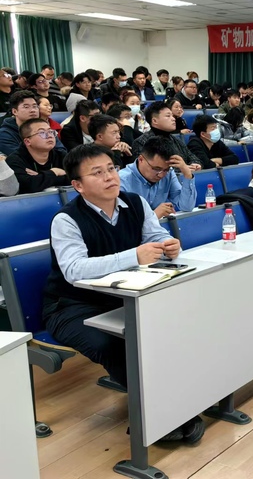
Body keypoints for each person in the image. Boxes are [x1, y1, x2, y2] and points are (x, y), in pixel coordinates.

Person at [41, 144, 205, 443]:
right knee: (112, 343)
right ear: (78, 185)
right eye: (97, 173)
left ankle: (181, 400)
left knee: (176, 325)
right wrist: (134, 256)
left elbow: (156, 236)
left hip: (126, 295)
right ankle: (158, 415)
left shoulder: (135, 203)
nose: (109, 177)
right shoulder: (66, 220)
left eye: (111, 169)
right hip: (72, 306)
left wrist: (169, 245)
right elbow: (74, 270)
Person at [119, 136, 197, 217]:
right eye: (156, 169)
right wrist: (154, 215)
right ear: (141, 159)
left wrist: (188, 175)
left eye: (166, 170)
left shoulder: (169, 173)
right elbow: (122, 221)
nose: (161, 175)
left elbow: (186, 207)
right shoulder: (121, 180)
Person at [6, 118, 71, 193]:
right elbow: (28, 186)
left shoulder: (61, 155)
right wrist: (54, 172)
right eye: (42, 133)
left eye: (50, 132)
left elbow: (77, 178)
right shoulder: (15, 160)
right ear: (27, 141)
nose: (49, 136)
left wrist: (40, 177)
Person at [131, 101, 202, 168]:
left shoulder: (176, 140)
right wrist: (183, 169)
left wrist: (195, 165)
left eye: (172, 116)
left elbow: (192, 157)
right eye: (168, 116)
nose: (173, 119)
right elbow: (148, 169)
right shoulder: (141, 142)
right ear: (154, 121)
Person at [0, 90, 67, 155]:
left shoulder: (46, 128)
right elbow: (18, 156)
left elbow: (61, 152)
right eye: (26, 107)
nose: (33, 110)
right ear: (15, 111)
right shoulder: (5, 134)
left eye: (35, 106)